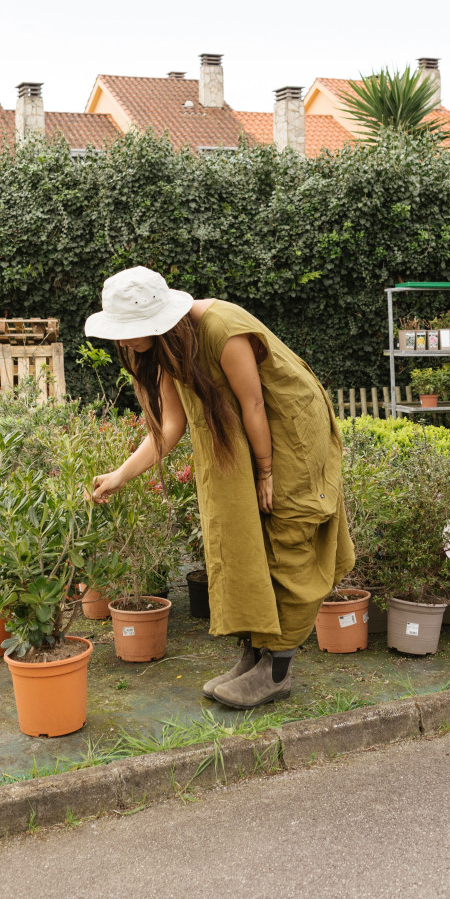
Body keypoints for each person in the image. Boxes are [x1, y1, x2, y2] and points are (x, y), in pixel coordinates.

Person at [85, 266, 354, 709]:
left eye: (130, 330)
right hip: (242, 437)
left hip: (286, 432)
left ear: (157, 320)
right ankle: (254, 655)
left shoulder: (223, 330)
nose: (124, 341)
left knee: (286, 533)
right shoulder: (165, 349)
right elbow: (169, 426)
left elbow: (253, 404)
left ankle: (278, 669)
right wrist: (120, 474)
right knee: (242, 539)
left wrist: (266, 472)